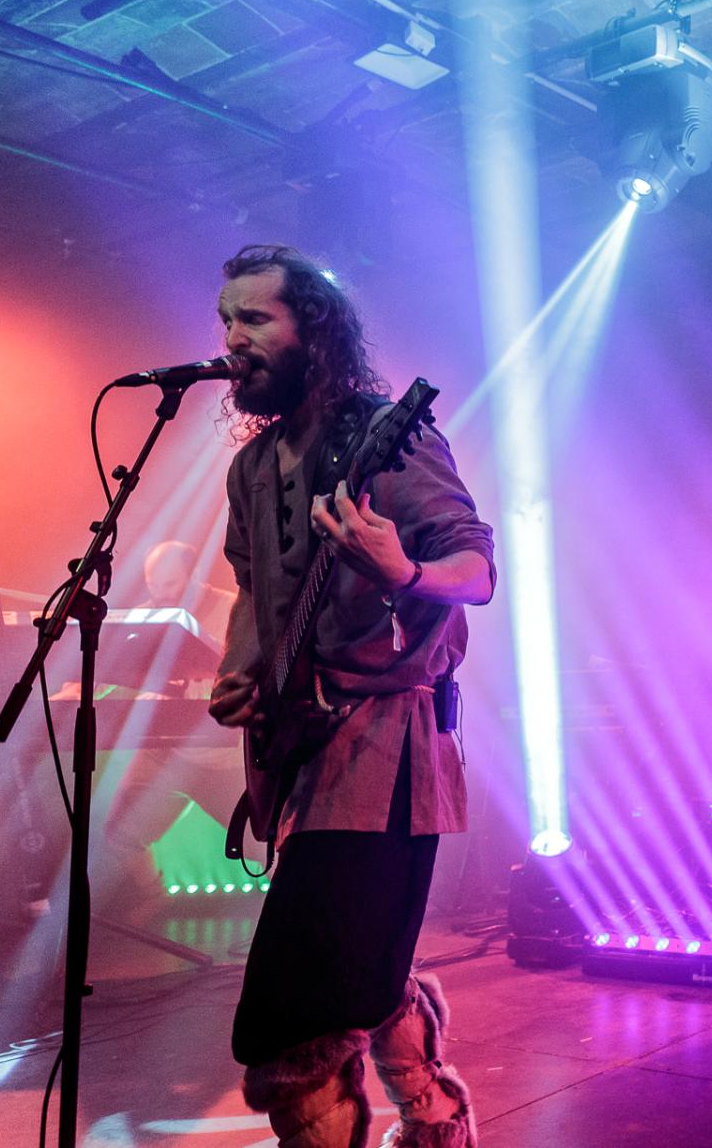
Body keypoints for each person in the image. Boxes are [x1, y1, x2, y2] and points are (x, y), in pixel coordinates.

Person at [205, 245, 495, 1148]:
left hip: (387, 751)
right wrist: (242, 671)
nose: (233, 337)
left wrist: (402, 568)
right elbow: (253, 592)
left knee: (289, 1013)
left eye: (256, 318)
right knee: (358, 974)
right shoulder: (252, 469)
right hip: (305, 753)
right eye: (227, 319)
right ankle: (438, 1121)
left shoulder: (386, 437)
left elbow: (477, 569)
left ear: (313, 330)